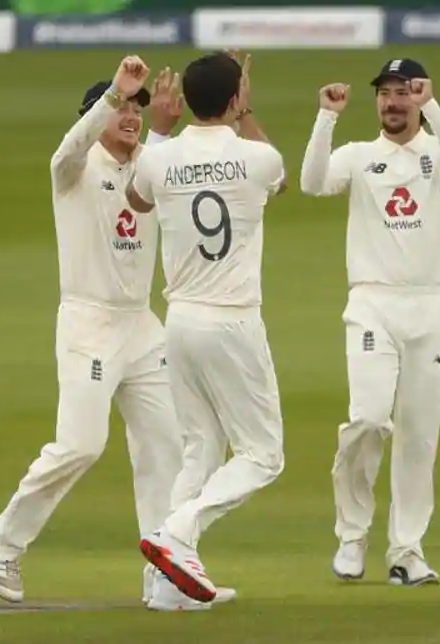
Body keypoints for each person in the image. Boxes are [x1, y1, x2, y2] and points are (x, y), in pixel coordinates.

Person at [0, 56, 234, 610]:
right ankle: (1, 538)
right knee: (81, 444)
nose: (133, 114)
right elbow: (67, 147)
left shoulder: (151, 165)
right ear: (99, 112)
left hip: (141, 324)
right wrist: (115, 93)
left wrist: (199, 111)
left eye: (140, 106)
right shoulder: (75, 167)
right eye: (123, 107)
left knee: (167, 445)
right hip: (89, 322)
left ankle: (165, 576)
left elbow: (190, 161)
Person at [299, 57, 440, 586]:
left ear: (419, 98)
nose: (392, 102)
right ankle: (352, 536)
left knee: (420, 436)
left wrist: (435, 108)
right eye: (385, 93)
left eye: (403, 93)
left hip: (433, 306)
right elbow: (312, 184)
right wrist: (326, 118)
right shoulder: (359, 157)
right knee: (370, 418)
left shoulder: (439, 154)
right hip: (373, 303)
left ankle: (406, 551)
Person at [126, 51, 287, 605]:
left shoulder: (159, 158)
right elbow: (280, 178)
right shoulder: (257, 159)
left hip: (180, 320)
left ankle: (164, 587)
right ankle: (179, 533)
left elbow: (136, 198)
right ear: (236, 98)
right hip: (232, 320)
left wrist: (162, 134)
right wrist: (246, 111)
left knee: (200, 449)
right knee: (264, 455)